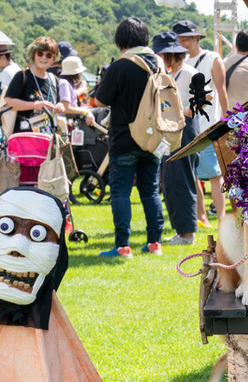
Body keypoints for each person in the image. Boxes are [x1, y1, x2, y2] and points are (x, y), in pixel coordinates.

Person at [94, 17, 165, 258]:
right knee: (150, 190)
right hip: (154, 137)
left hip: (125, 138)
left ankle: (123, 246)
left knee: (121, 192)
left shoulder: (121, 65)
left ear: (121, 40)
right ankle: (155, 243)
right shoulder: (159, 63)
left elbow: (100, 99)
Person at [173, 20, 228, 226]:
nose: (182, 43)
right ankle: (201, 216)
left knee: (214, 174)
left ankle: (221, 218)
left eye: (186, 38)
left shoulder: (212, 58)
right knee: (192, 175)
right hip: (185, 128)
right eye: (179, 39)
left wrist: (227, 120)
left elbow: (221, 92)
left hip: (209, 125)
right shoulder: (177, 64)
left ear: (196, 38)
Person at [153, 31, 200, 245]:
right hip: (172, 130)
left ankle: (188, 234)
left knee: (182, 180)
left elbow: (205, 97)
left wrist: (183, 114)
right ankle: (181, 231)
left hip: (186, 129)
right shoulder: (174, 73)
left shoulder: (189, 72)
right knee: (170, 181)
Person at [5, 36, 64, 133]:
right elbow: (8, 102)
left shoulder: (54, 79)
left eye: (48, 55)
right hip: (25, 136)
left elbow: (57, 102)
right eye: (40, 53)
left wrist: (60, 106)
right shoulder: (22, 76)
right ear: (33, 55)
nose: (44, 57)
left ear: (53, 58)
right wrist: (35, 105)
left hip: (49, 136)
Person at [58, 56, 95, 126]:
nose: (81, 74)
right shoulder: (64, 83)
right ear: (76, 73)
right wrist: (86, 112)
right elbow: (66, 109)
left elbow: (74, 107)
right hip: (65, 123)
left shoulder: (69, 83)